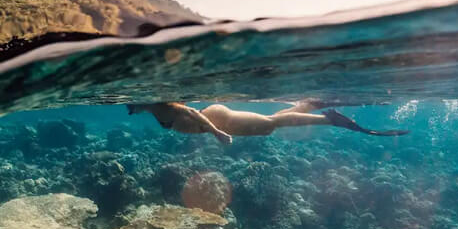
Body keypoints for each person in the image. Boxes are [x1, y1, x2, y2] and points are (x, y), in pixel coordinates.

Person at [127, 100, 408, 142]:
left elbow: (193, 115)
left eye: (129, 104)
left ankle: (327, 118)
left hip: (220, 120)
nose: (127, 107)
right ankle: (313, 104)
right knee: (271, 121)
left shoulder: (158, 104)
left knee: (271, 125)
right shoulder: (151, 108)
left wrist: (217, 134)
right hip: (219, 121)